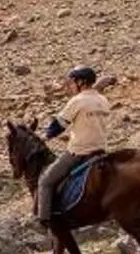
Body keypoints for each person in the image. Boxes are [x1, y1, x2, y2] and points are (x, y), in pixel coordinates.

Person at [37, 66, 113, 223]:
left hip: (79, 151)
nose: (70, 86)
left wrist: (47, 135)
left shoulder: (77, 101)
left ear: (81, 82)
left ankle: (44, 219)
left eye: (72, 82)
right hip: (101, 150)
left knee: (45, 180)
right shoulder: (102, 99)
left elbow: (59, 125)